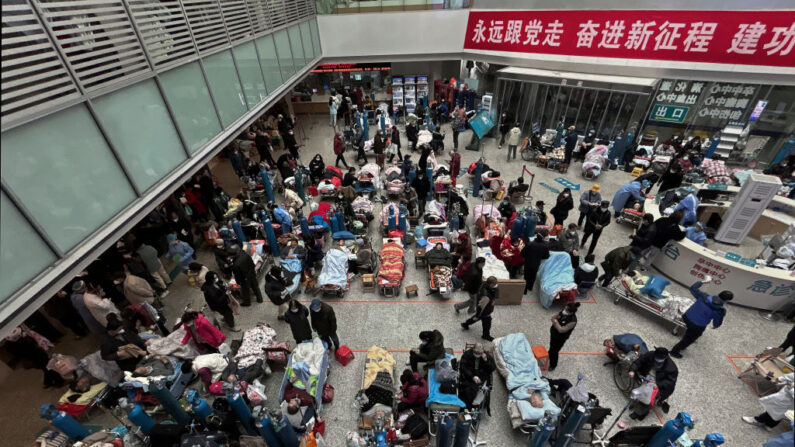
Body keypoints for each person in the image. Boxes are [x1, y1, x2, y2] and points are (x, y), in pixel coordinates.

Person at [670, 277, 733, 358]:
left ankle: (686, 337)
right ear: (726, 301)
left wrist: (704, 281)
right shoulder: (720, 310)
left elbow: (693, 288)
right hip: (696, 326)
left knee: (691, 331)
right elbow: (717, 322)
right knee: (690, 338)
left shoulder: (704, 296)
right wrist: (715, 326)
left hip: (686, 316)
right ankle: (674, 351)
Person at [628, 347, 678, 420]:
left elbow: (670, 382)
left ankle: (639, 413)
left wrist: (657, 385)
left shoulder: (671, 368)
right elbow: (639, 361)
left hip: (658, 385)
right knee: (638, 391)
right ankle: (636, 403)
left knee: (648, 398)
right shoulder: (650, 355)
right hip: (646, 377)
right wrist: (632, 370)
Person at [461, 276, 499, 341]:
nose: (496, 285)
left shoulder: (484, 285)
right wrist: (478, 315)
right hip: (485, 311)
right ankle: (486, 335)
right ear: (491, 284)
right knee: (487, 323)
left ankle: (465, 324)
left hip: (484, 309)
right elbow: (481, 306)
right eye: (495, 284)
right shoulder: (486, 296)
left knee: (477, 317)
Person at [458, 342, 495, 408]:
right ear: (473, 350)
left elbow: (492, 368)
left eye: (480, 353)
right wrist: (472, 377)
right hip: (469, 376)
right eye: (476, 353)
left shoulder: (487, 356)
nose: (478, 355)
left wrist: (486, 361)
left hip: (482, 378)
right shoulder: (467, 354)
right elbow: (463, 367)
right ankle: (468, 404)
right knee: (467, 389)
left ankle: (471, 404)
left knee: (485, 388)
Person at [548, 302, 580, 371]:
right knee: (551, 346)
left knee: (555, 351)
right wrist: (555, 321)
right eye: (564, 309)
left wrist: (555, 322)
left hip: (560, 338)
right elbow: (553, 318)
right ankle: (550, 353)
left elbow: (561, 330)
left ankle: (553, 365)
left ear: (571, 312)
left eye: (566, 310)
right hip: (553, 333)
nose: (564, 311)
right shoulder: (563, 312)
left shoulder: (572, 321)